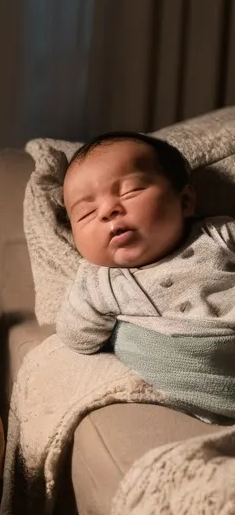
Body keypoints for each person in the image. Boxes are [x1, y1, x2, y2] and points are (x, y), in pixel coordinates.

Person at [57, 131, 235, 420]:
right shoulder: (99, 282)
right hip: (187, 380)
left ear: (186, 201)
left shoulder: (218, 235)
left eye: (129, 191)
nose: (107, 211)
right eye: (87, 213)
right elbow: (77, 338)